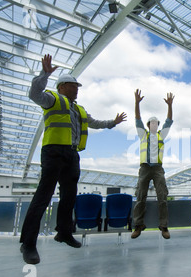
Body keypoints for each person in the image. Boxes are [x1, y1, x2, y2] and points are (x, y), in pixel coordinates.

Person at [20, 54, 127, 264]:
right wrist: (44, 74)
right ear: (61, 87)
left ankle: (64, 232)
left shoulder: (79, 109)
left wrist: (112, 123)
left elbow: (94, 122)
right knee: (43, 196)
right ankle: (28, 243)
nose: (76, 88)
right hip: (53, 153)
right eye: (72, 85)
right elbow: (34, 93)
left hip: (71, 155)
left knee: (69, 196)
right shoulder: (52, 99)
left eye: (77, 86)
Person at [131, 89, 174, 239]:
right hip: (144, 168)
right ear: (148, 125)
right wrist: (137, 103)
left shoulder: (162, 135)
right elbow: (137, 118)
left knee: (162, 196)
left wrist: (170, 105)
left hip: (157, 169)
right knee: (140, 196)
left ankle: (164, 226)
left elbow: (169, 120)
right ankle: (138, 225)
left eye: (156, 123)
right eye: (152, 123)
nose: (154, 124)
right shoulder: (143, 134)